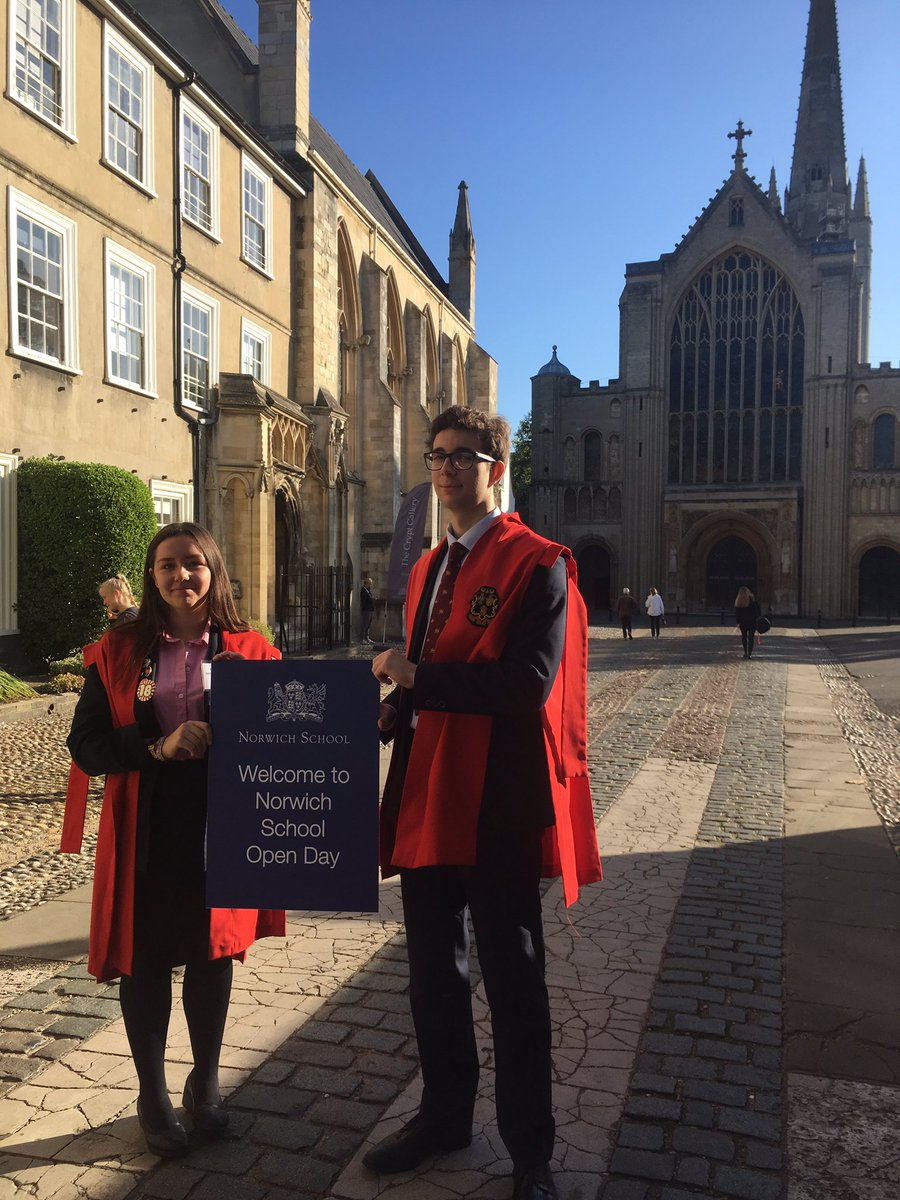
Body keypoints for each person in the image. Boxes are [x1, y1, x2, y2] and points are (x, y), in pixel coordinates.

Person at [367, 406, 602, 1200]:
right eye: (436, 456)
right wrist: (393, 708)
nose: (446, 470)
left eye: (464, 456)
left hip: (495, 801)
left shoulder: (539, 563)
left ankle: (530, 1150)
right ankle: (444, 1116)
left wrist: (414, 678)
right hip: (428, 794)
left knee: (512, 977)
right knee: (433, 972)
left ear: (497, 467)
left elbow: (525, 686)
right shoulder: (430, 567)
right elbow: (424, 679)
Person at [64, 523, 284, 1158]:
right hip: (148, 820)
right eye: (167, 565)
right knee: (150, 957)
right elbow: (87, 745)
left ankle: (205, 1082)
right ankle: (152, 1094)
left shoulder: (251, 649)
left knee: (213, 953)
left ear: (214, 569)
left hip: (227, 819)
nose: (181, 575)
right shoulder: (119, 651)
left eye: (193, 563)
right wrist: (157, 744)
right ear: (152, 576)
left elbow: (292, 737)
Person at [734, 585, 762, 658]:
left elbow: (737, 614)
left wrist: (738, 622)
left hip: (743, 622)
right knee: (751, 638)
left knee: (744, 637)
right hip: (752, 622)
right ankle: (749, 653)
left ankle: (745, 652)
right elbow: (758, 611)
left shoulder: (739, 602)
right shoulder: (752, 601)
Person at [360, 576, 376, 643]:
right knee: (365, 624)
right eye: (369, 584)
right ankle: (363, 639)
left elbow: (371, 597)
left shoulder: (368, 591)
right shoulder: (363, 591)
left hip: (370, 609)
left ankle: (367, 637)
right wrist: (373, 599)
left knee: (368, 624)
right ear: (366, 583)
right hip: (366, 609)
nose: (370, 585)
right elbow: (368, 599)